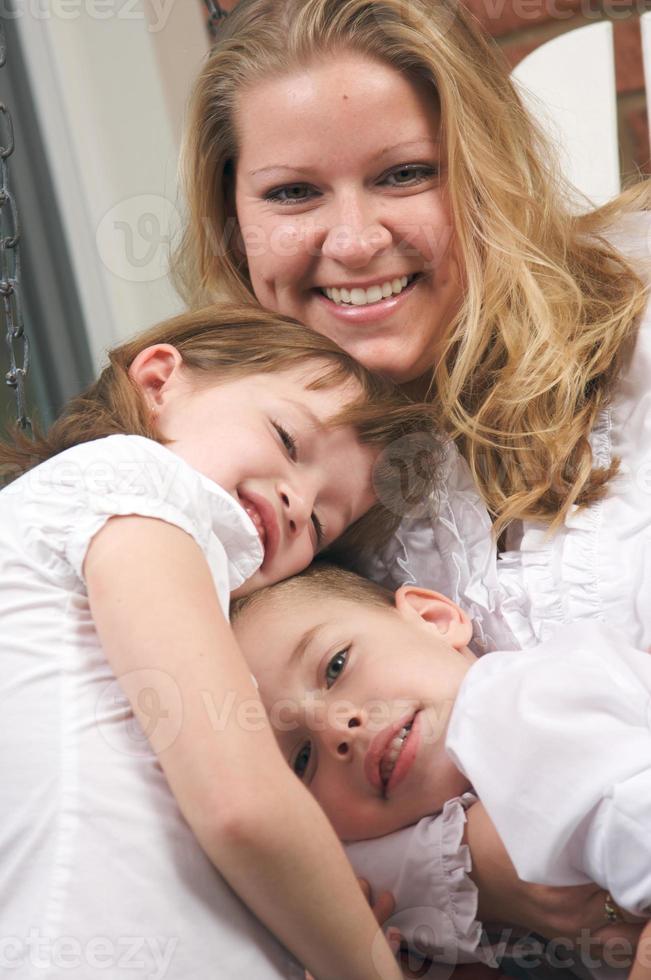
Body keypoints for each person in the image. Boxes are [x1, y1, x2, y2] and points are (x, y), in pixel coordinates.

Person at [171, 0, 651, 941]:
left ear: (482, 173)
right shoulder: (271, 499)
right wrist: (461, 864)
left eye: (402, 175)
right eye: (293, 194)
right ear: (233, 224)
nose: (352, 243)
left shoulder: (634, 335)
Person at [0, 304, 438, 980]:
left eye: (320, 525)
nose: (296, 500)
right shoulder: (134, 481)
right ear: (158, 383)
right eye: (288, 441)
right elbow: (241, 808)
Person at [231, 561, 651, 976]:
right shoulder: (435, 884)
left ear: (433, 619)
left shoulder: (515, 710)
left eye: (336, 667)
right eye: (302, 760)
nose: (337, 729)